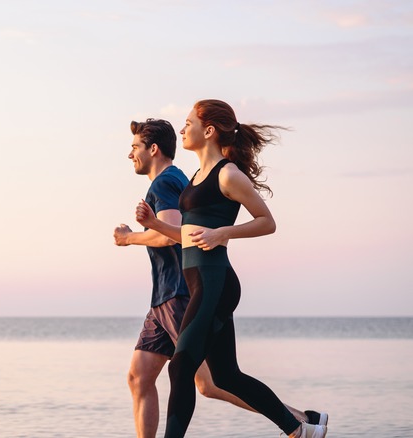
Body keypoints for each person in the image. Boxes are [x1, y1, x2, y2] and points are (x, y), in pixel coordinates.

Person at [117, 118, 326, 437]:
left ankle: (299, 420)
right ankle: (300, 423)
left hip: (180, 294)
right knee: (141, 376)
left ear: (153, 149)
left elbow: (173, 238)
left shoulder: (166, 182)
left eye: (134, 147)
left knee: (205, 382)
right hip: (163, 297)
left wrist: (131, 237)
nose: (130, 154)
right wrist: (152, 227)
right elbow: (181, 231)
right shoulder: (178, 180)